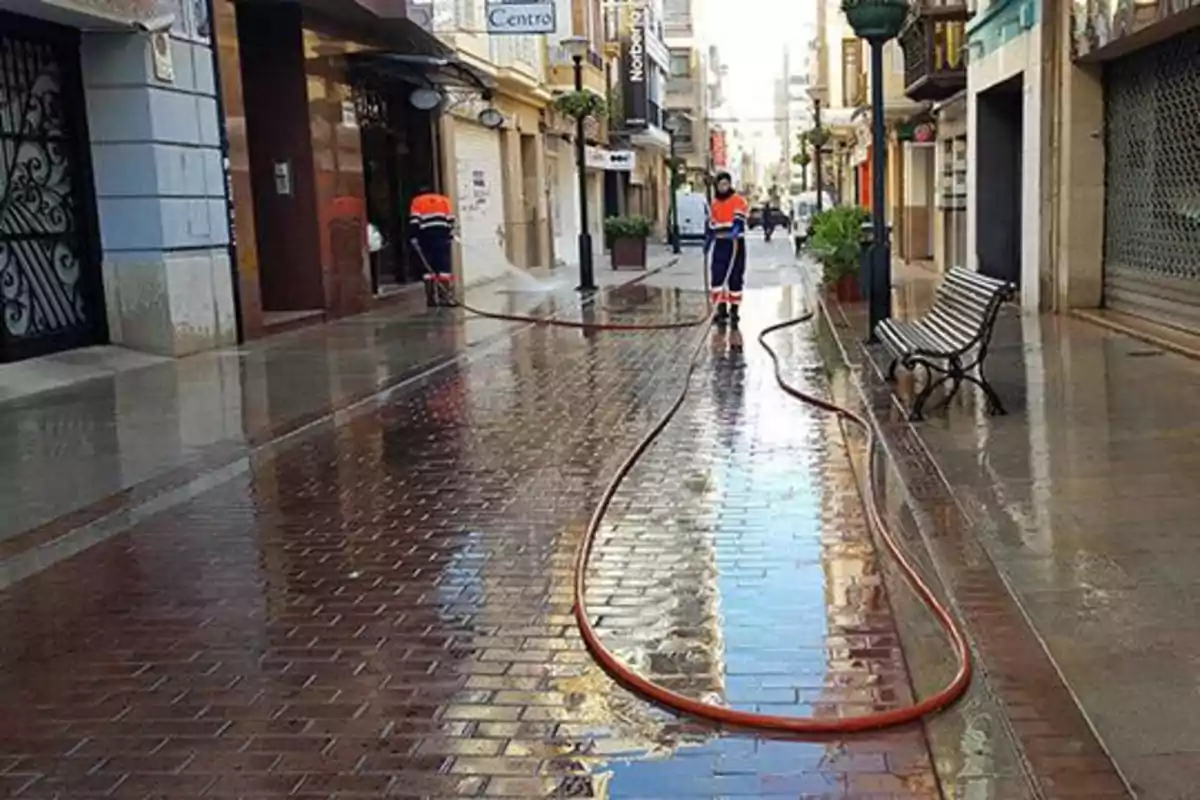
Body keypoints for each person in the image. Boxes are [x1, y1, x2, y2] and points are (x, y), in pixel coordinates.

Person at [704, 171, 749, 326]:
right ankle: (721, 308)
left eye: (726, 184)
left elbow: (739, 216)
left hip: (735, 244)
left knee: (735, 276)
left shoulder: (738, 200)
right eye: (721, 184)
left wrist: (736, 228)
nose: (723, 187)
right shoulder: (715, 203)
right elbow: (712, 222)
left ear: (729, 184)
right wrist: (709, 237)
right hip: (721, 243)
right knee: (717, 276)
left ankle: (734, 310)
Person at [408, 185, 456, 307]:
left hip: (426, 238)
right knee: (444, 267)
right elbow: (451, 220)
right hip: (442, 237)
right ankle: (445, 297)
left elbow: (415, 221)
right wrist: (449, 235)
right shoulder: (444, 200)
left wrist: (413, 237)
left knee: (428, 267)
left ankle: (431, 299)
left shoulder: (417, 201)